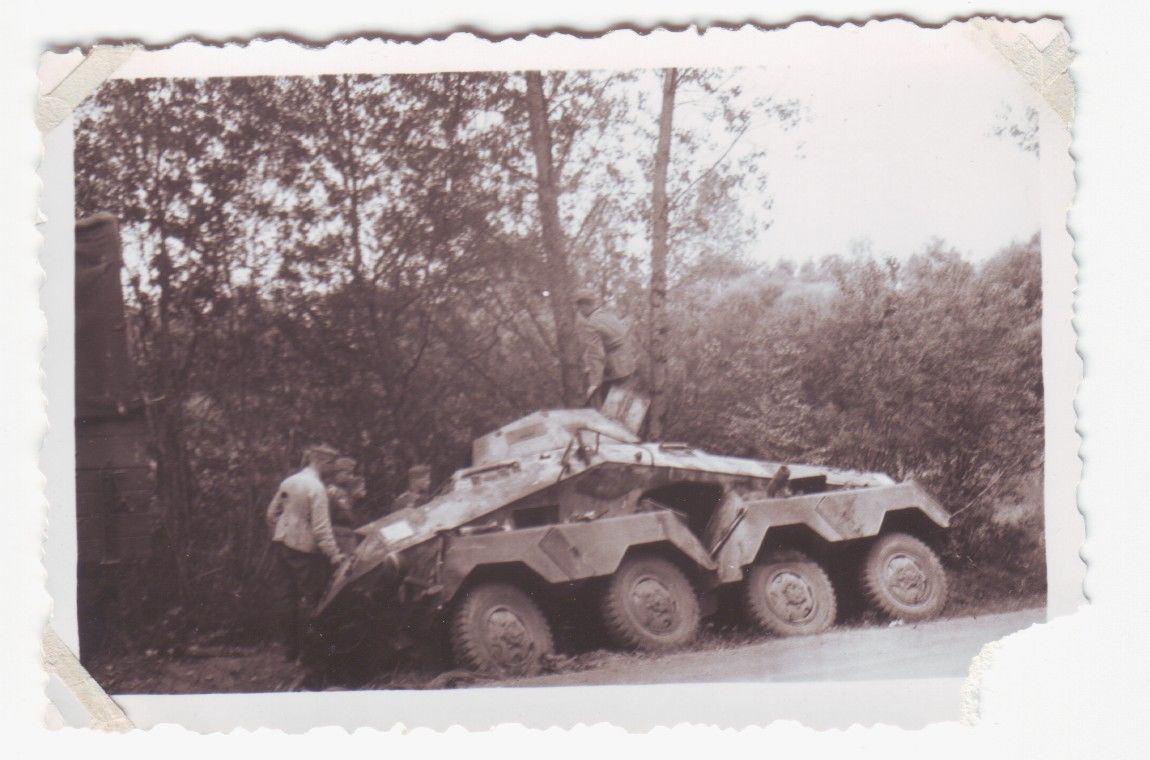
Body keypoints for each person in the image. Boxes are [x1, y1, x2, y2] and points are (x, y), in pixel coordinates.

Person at [266, 443, 345, 662]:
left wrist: (281, 533)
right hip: (304, 550)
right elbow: (321, 528)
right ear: (320, 461)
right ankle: (308, 653)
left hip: (281, 544)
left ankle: (289, 651)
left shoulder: (289, 482)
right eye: (331, 464)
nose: (333, 469)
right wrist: (334, 554)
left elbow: (271, 514)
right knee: (311, 598)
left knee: (285, 596)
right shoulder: (316, 489)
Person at [574, 287, 639, 406]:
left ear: (584, 305)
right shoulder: (607, 314)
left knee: (609, 413)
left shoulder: (591, 324)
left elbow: (596, 355)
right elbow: (624, 329)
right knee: (625, 408)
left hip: (614, 372)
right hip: (628, 366)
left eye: (579, 306)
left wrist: (594, 383)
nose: (579, 310)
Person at [326, 457, 365, 554]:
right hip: (339, 538)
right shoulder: (334, 492)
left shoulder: (343, 492)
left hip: (343, 536)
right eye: (347, 474)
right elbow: (346, 518)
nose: (351, 477)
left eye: (351, 474)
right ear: (337, 474)